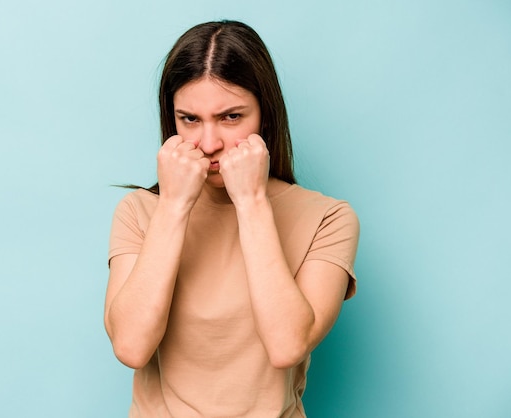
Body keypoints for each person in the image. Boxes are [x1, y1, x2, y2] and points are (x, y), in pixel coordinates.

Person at [104, 20, 360, 417]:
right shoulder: (139, 212)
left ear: (265, 115)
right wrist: (172, 206)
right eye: (190, 119)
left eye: (231, 117)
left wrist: (252, 201)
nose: (209, 144)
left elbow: (286, 345)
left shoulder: (328, 219)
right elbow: (131, 347)